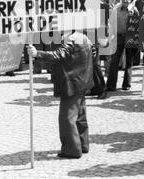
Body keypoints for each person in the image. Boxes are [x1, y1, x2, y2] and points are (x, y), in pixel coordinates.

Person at [27, 31, 94, 159]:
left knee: (67, 118)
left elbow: (58, 55)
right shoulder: (84, 37)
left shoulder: (70, 39)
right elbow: (94, 54)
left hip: (72, 83)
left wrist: (37, 53)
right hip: (82, 81)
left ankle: (72, 149)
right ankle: (83, 144)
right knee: (80, 116)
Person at [103, 0, 139, 97]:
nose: (125, 1)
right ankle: (111, 85)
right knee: (114, 61)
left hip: (130, 37)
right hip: (118, 37)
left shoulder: (134, 10)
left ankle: (126, 84)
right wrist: (110, 37)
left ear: (130, 0)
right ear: (120, 0)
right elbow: (110, 24)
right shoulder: (116, 10)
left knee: (129, 61)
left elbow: (137, 24)